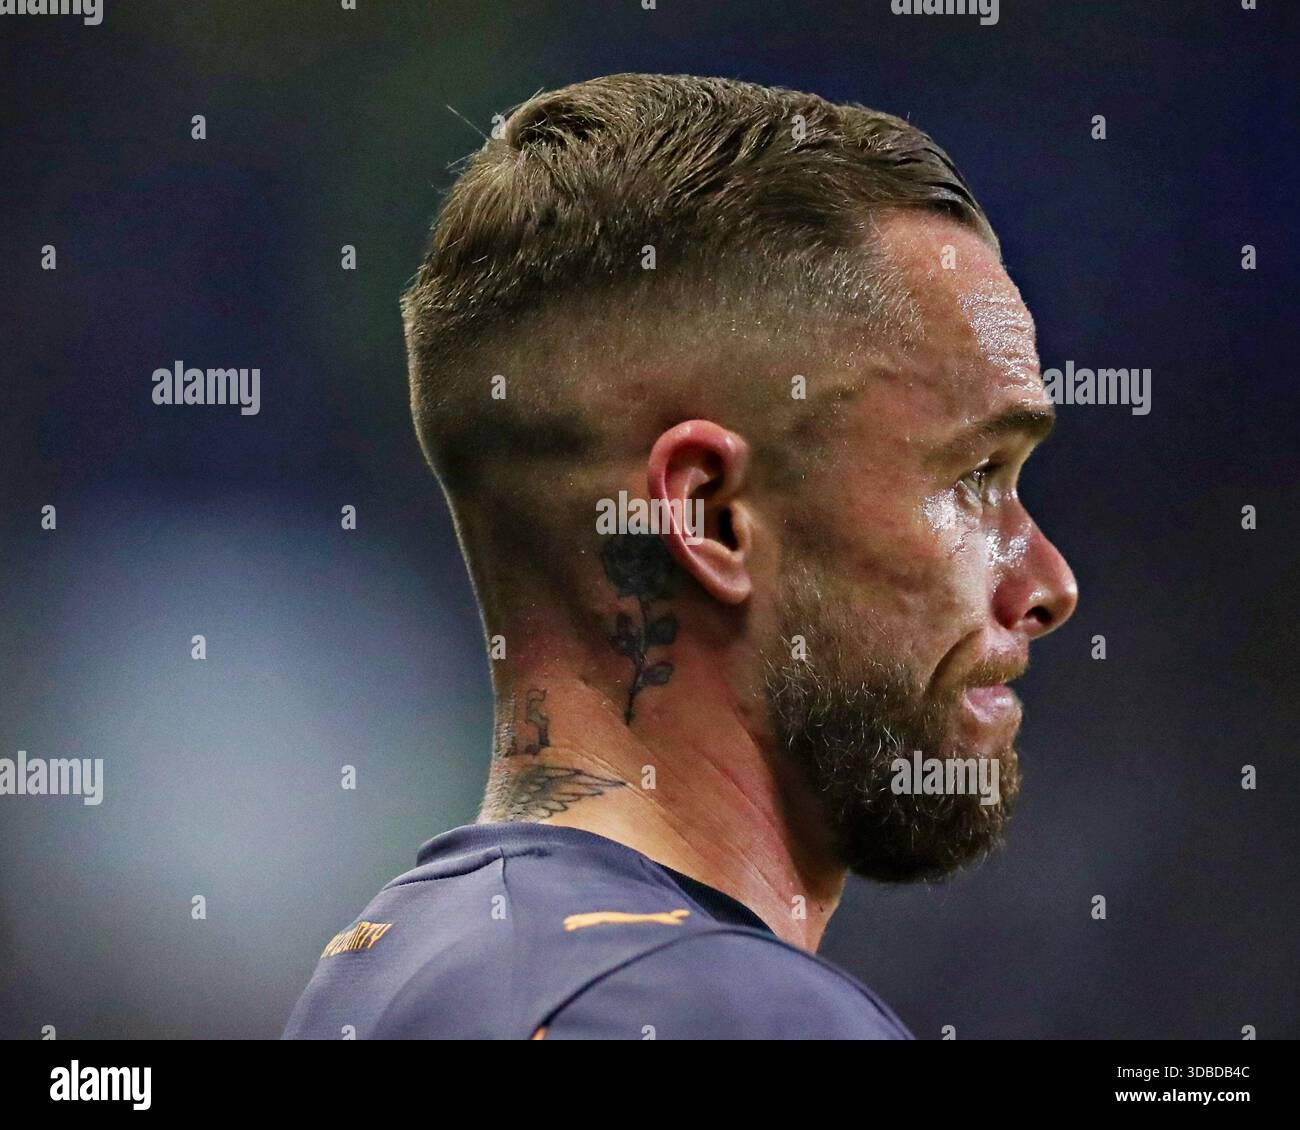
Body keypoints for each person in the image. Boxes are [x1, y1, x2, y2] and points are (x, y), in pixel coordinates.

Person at [283, 72, 1078, 1040]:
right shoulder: (742, 1016)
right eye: (973, 475)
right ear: (708, 512)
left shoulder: (377, 974)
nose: (1044, 582)